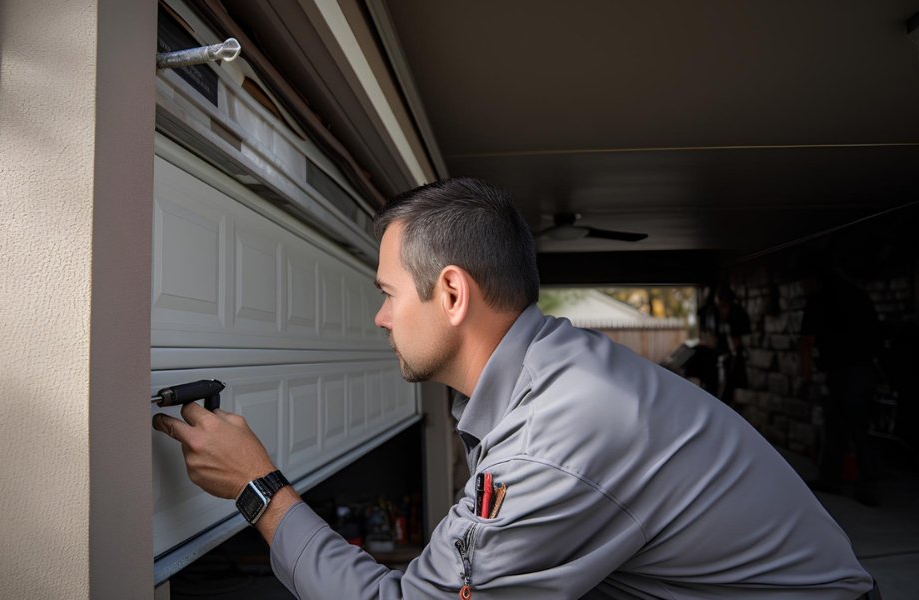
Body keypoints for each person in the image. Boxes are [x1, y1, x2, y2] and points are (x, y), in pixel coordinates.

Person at [154, 178, 875, 599]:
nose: (379, 317)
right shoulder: (557, 368)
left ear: (454, 293)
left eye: (387, 293)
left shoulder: (557, 434)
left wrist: (260, 491)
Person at [800, 263, 882, 507]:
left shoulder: (818, 301)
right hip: (864, 369)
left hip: (839, 370)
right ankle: (861, 483)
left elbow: (807, 342)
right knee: (858, 428)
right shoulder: (860, 297)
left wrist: (805, 378)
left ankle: (834, 478)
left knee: (836, 426)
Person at [694, 286, 750, 404]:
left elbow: (735, 345)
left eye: (723, 306)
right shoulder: (712, 315)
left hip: (731, 363)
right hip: (713, 362)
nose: (720, 310)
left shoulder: (736, 316)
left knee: (728, 397)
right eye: (718, 306)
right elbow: (708, 338)